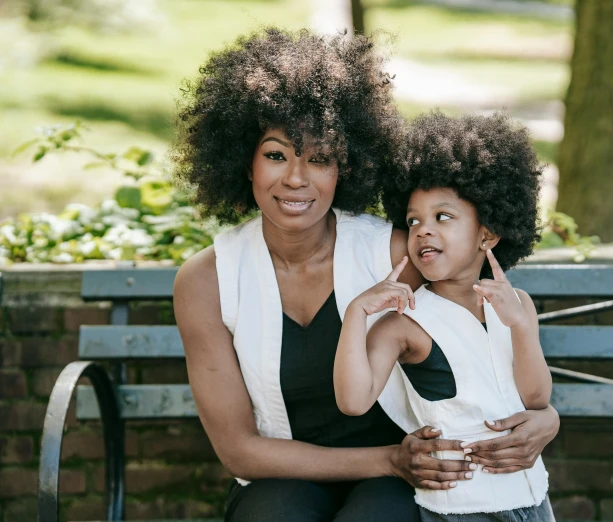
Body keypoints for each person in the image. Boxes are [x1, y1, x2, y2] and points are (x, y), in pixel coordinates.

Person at [172, 28, 561, 522]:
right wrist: (386, 461)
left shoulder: (396, 251)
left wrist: (546, 418)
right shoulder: (209, 280)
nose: (296, 178)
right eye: (276, 155)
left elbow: (480, 349)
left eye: (320, 158)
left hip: (410, 469)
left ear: (346, 169)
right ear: (244, 162)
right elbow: (240, 451)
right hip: (290, 472)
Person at [334, 111, 554, 521]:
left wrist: (521, 325)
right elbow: (352, 401)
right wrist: (355, 314)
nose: (422, 230)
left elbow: (536, 398)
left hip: (532, 497)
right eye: (414, 219)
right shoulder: (405, 323)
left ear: (486, 235)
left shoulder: (516, 304)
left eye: (443, 216)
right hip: (459, 507)